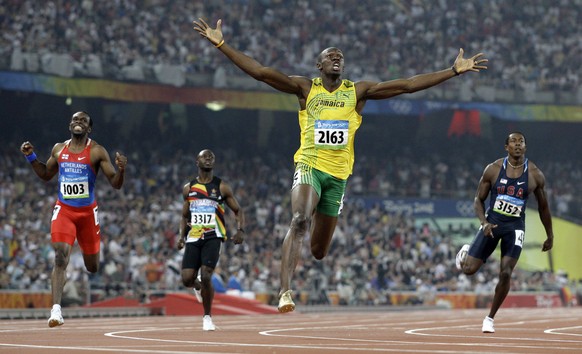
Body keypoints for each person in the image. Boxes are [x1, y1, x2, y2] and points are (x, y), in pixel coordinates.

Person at [193, 18, 488, 313]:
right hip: (309, 165)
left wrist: (452, 71)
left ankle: (297, 268)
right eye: (330, 56)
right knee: (299, 220)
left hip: (338, 176)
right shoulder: (305, 88)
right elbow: (260, 72)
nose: (337, 58)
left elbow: (407, 85)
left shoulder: (357, 92)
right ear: (318, 65)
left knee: (319, 251)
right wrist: (221, 44)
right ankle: (285, 291)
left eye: (340, 57)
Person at [20, 111, 127, 327]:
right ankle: (56, 311)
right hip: (65, 211)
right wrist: (31, 157)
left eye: (83, 121)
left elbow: (115, 183)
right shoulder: (59, 149)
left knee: (93, 266)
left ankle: (68, 283)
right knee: (60, 257)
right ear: (70, 124)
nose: (79, 122)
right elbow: (45, 175)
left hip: (87, 214)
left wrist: (121, 169)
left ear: (89, 128)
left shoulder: (96, 151)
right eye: (75, 119)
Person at [455, 132, 554, 333]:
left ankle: (489, 318)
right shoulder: (493, 169)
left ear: (525, 147)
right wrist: (483, 223)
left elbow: (544, 208)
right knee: (468, 270)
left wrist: (550, 235)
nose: (517, 145)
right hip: (492, 223)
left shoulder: (535, 174)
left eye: (521, 142)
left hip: (515, 227)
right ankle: (466, 251)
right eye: (513, 142)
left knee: (506, 272)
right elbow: (478, 200)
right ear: (506, 147)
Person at [177, 149, 245, 331]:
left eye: (211, 157)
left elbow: (238, 210)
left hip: (213, 236)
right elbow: (184, 216)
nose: (208, 158)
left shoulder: (221, 186)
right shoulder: (189, 188)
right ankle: (198, 287)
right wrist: (181, 237)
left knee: (207, 274)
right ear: (196, 162)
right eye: (204, 156)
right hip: (193, 237)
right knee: (186, 279)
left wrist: (240, 230)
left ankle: (207, 317)